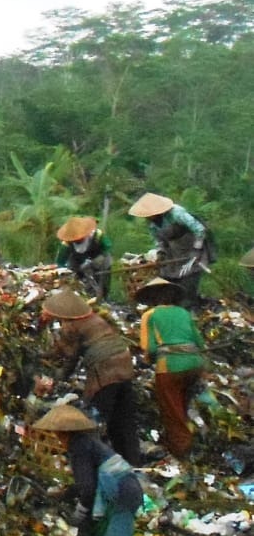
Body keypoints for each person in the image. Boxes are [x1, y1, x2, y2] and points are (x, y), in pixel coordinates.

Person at [32, 403, 144, 536]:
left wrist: (80, 512)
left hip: (122, 492)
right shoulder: (85, 442)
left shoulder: (78, 447)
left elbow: (88, 487)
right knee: (91, 532)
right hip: (120, 488)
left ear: (63, 433)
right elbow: (87, 481)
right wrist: (66, 494)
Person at [40, 291, 140, 466]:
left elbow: (70, 355)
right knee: (124, 419)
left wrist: (59, 376)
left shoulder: (70, 326)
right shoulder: (95, 319)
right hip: (124, 362)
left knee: (94, 419)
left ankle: (97, 462)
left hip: (105, 369)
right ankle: (133, 463)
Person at [136, 277, 205, 459]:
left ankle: (182, 452)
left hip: (171, 367)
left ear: (151, 298)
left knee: (172, 411)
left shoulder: (149, 315)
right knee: (185, 404)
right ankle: (197, 439)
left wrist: (148, 360)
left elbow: (149, 348)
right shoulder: (184, 312)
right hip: (195, 364)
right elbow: (200, 342)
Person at [128, 192, 214, 308]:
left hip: (190, 250)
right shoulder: (153, 225)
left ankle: (189, 307)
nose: (148, 218)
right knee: (167, 280)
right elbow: (159, 240)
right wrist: (160, 253)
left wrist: (196, 250)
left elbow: (200, 230)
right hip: (172, 253)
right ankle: (170, 306)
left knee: (188, 281)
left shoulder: (177, 213)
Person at [54, 216, 112, 299]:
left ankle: (103, 297)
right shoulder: (67, 244)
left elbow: (107, 248)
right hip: (78, 260)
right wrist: (64, 271)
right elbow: (60, 261)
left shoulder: (98, 235)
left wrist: (96, 261)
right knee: (74, 277)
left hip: (97, 258)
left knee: (104, 271)